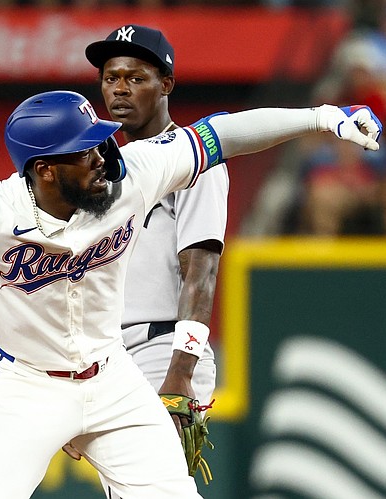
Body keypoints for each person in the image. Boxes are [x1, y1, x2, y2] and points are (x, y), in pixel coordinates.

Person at [0, 89, 381, 498]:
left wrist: (325, 118)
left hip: (113, 378)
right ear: (44, 170)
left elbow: (223, 133)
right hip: (25, 387)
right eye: (84, 151)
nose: (102, 156)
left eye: (99, 142)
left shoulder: (133, 172)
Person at [60, 24, 228, 489]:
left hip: (163, 351)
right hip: (104, 355)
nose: (119, 88)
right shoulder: (103, 171)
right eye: (111, 78)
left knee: (156, 488)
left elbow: (201, 270)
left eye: (136, 78)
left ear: (166, 85)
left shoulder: (196, 160)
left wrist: (180, 373)